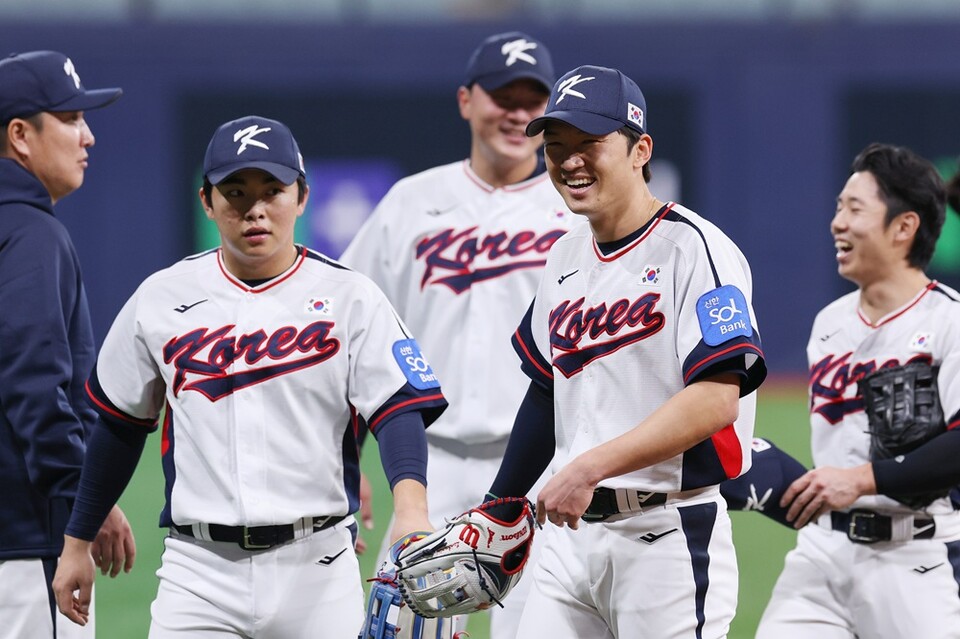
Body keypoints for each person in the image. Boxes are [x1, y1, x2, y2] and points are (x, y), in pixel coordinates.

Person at [51, 115, 447, 638]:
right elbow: (119, 426)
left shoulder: (351, 296)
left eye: (272, 191)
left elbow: (397, 409)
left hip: (317, 567)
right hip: (199, 572)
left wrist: (412, 511)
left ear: (301, 196)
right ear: (207, 202)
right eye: (235, 191)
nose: (255, 209)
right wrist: (77, 542)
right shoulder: (161, 298)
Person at [485, 64, 767, 638]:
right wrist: (499, 502)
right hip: (568, 543)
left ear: (641, 149)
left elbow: (715, 400)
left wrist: (589, 466)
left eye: (589, 143)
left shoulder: (696, 250)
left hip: (666, 535)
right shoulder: (564, 257)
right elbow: (547, 392)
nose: (568, 161)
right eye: (556, 146)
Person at [339, 31, 576, 637]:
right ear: (467, 100)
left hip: (541, 470)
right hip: (428, 468)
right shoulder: (410, 203)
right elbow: (348, 330)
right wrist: (345, 455)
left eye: (533, 100)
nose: (518, 113)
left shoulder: (576, 211)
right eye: (503, 96)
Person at [755, 143, 960, 639]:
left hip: (916, 558)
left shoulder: (948, 321)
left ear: (904, 227)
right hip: (822, 554)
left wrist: (862, 480)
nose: (837, 223)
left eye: (854, 208)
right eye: (837, 207)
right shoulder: (830, 323)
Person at [0, 50, 135, 638]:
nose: (89, 136)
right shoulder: (31, 234)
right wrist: (84, 502)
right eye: (72, 118)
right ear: (21, 135)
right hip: (22, 546)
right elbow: (34, 380)